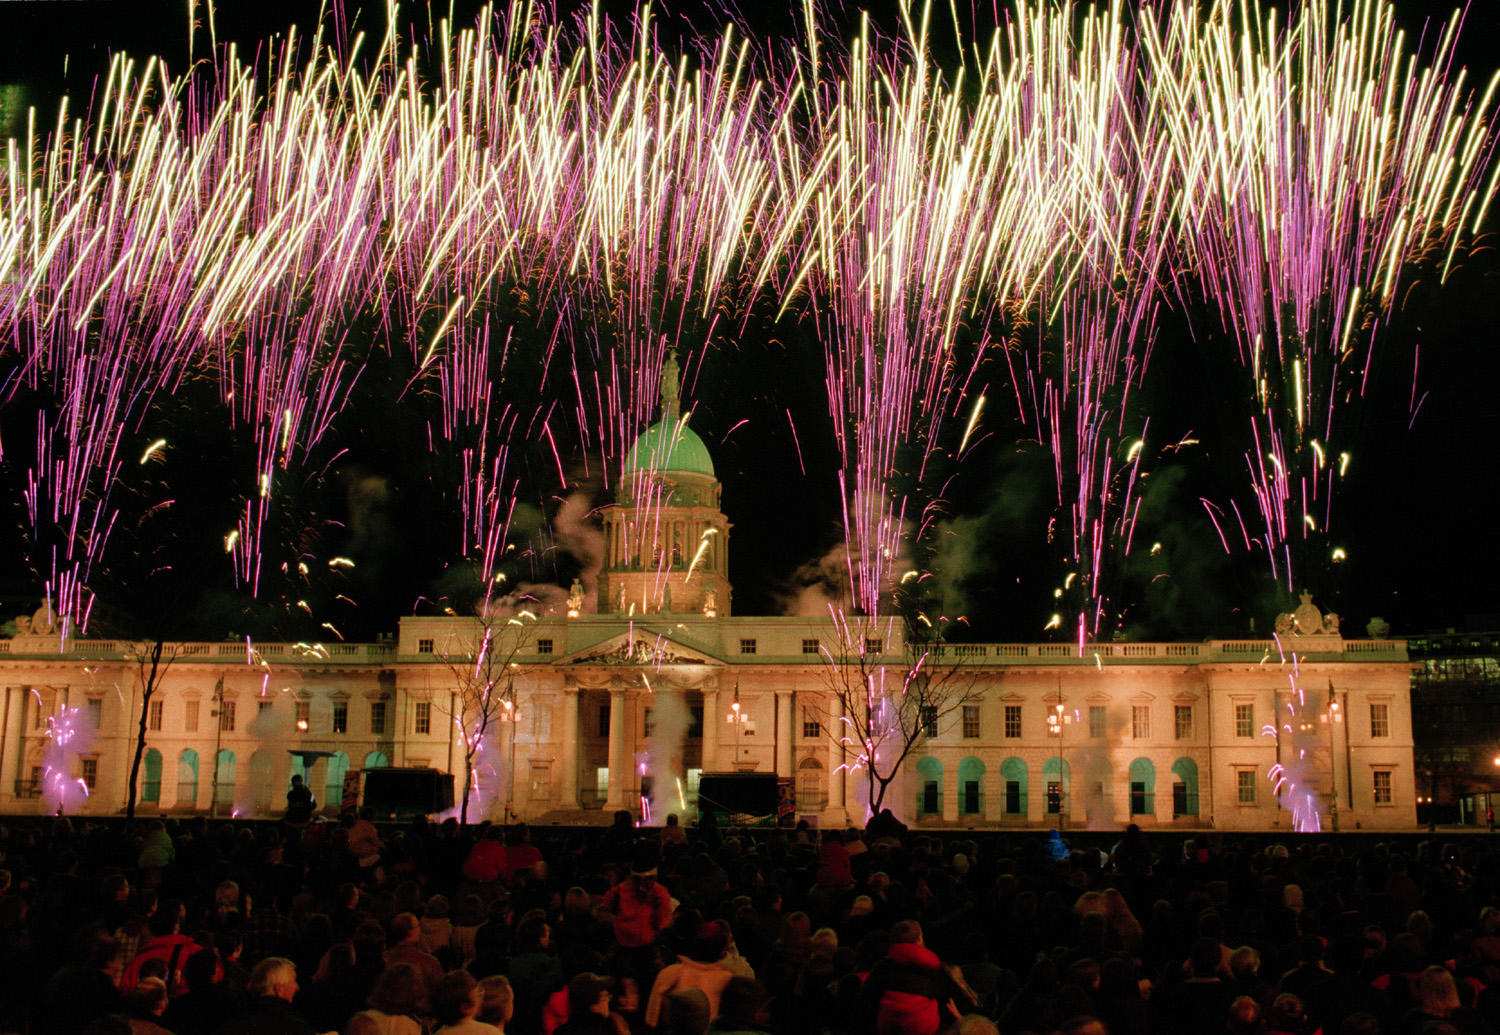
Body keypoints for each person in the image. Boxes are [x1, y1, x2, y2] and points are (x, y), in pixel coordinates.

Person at [212, 957, 317, 1035]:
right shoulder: (297, 1029)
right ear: (279, 989)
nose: (297, 987)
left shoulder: (230, 1024)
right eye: (294, 981)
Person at [432, 969, 502, 1034]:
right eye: (478, 994)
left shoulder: (439, 1033)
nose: (481, 1000)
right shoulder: (489, 1031)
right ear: (465, 1008)